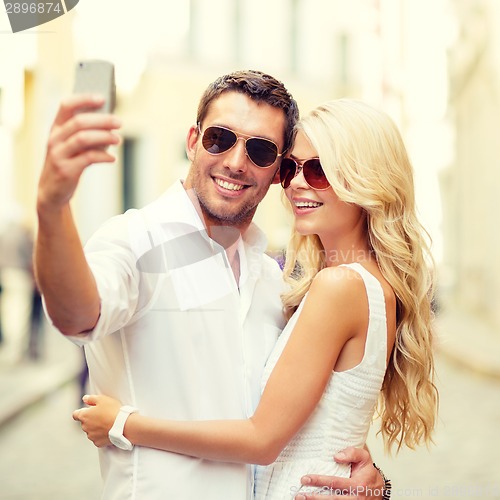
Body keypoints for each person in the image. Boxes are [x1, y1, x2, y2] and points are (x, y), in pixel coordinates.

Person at [36, 71, 387, 500]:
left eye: (259, 151)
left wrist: (367, 481)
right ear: (192, 140)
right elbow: (76, 313)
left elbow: (294, 420)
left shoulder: (274, 283)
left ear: (277, 171)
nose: (236, 162)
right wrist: (53, 209)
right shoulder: (135, 240)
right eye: (220, 138)